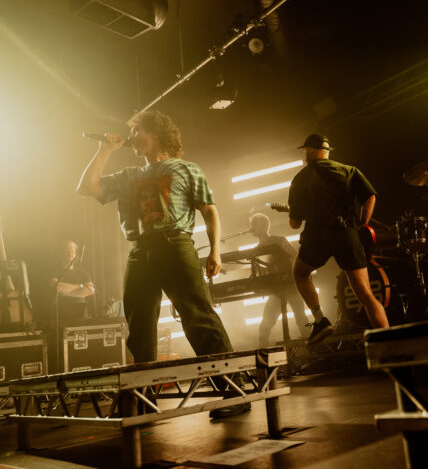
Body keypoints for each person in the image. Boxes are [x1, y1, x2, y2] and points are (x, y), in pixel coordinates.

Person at [76, 110, 247, 418]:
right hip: (140, 251)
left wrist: (215, 252)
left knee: (197, 315)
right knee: (139, 326)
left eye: (137, 131)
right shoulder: (129, 175)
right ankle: (143, 402)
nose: (131, 137)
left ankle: (234, 393)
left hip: (175, 244)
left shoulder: (186, 169)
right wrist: (104, 151)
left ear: (154, 133)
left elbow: (209, 211)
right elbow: (86, 187)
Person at [287, 133, 389, 344]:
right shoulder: (349, 170)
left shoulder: (300, 179)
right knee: (366, 295)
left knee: (300, 273)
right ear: (327, 151)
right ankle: (390, 344)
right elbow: (370, 195)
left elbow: (295, 223)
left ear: (310, 151)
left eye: (306, 151)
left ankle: (320, 320)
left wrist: (294, 215)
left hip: (317, 236)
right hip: (346, 233)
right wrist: (362, 224)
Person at [248, 211, 309, 346]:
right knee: (264, 327)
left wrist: (296, 277)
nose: (251, 226)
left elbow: (296, 256)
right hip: (275, 291)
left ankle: (313, 351)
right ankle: (264, 358)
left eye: (254, 223)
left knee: (301, 319)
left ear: (264, 225)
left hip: (291, 286)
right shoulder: (256, 250)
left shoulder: (279, 240)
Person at [50, 240, 95, 325]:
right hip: (61, 315)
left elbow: (90, 290)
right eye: (67, 251)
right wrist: (80, 286)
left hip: (81, 316)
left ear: (76, 254)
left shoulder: (83, 273)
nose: (70, 254)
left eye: (72, 251)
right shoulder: (54, 271)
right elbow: (57, 287)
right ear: (60, 254)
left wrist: (66, 292)